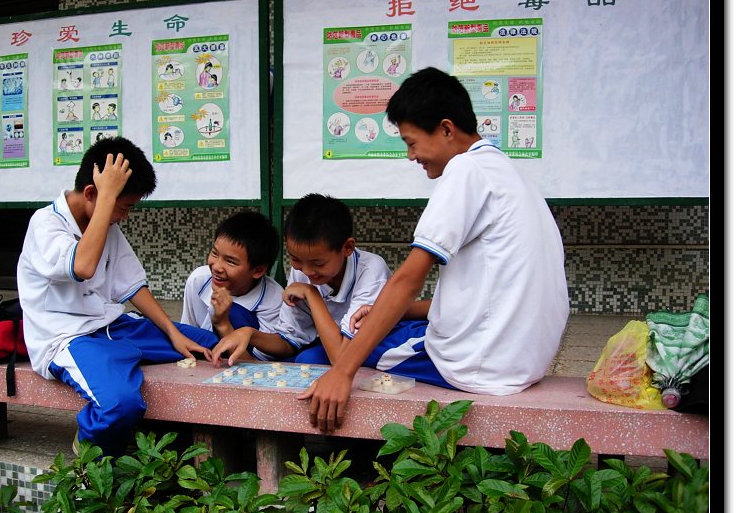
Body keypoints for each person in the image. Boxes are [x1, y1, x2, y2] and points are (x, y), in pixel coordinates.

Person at [299, 67, 569, 432]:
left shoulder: (464, 171)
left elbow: (409, 277)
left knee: (347, 338)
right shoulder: (510, 174)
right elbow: (489, 296)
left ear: (446, 129)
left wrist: (342, 374)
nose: (410, 156)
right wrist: (402, 312)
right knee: (386, 318)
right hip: (525, 360)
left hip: (479, 365)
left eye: (411, 143)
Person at [17, 137, 217, 457]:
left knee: (211, 346)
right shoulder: (45, 224)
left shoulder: (106, 223)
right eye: (123, 207)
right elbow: (82, 265)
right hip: (69, 339)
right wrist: (107, 198)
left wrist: (173, 332)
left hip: (114, 326)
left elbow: (133, 286)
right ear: (93, 193)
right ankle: (90, 453)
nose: (124, 216)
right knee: (121, 404)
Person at [211, 193, 396, 367]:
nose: (307, 271)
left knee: (310, 359)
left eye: (318, 263)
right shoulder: (304, 270)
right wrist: (249, 333)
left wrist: (311, 294)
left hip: (371, 348)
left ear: (347, 248)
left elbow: (343, 357)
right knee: (303, 358)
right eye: (295, 259)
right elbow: (289, 341)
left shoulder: (371, 271)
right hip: (331, 345)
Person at [180, 211, 283, 344]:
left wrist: (222, 324)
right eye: (215, 253)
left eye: (230, 261)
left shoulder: (274, 301)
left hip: (246, 360)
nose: (217, 267)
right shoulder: (198, 280)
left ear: (258, 270)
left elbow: (259, 364)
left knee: (235, 312)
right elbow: (188, 335)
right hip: (205, 355)